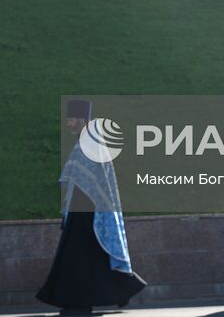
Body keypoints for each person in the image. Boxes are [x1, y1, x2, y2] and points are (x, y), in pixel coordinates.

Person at [36, 100, 146, 314]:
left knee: (82, 259)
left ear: (82, 119)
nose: (69, 123)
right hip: (81, 211)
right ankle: (119, 290)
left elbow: (96, 180)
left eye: (71, 119)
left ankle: (82, 301)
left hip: (88, 212)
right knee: (89, 259)